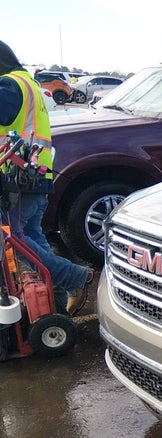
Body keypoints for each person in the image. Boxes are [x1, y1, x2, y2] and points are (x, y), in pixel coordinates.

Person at [0, 40, 93, 315]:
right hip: (35, 175)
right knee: (32, 238)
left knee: (14, 241)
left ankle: (75, 277)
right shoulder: (27, 83)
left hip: (18, 178)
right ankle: (58, 298)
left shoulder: (9, 86)